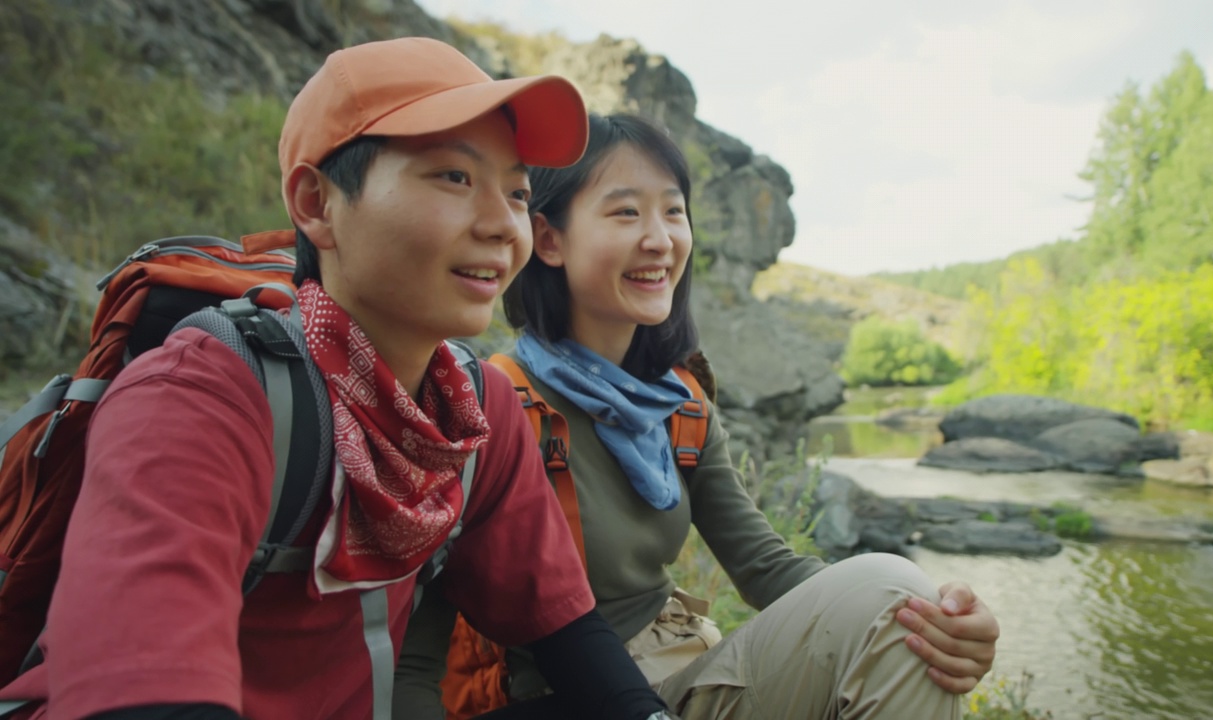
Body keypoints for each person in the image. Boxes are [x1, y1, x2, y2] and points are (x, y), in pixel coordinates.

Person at [0, 41, 682, 720]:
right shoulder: (201, 398)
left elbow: (562, 628)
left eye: (516, 193)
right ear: (316, 203)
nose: (502, 226)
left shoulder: (473, 412)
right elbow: (140, 701)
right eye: (453, 177)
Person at [395, 113, 1001, 719]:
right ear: (548, 239)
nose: (660, 239)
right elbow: (416, 645)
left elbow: (765, 566)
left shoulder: (681, 403)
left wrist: (931, 616)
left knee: (903, 609)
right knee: (888, 588)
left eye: (674, 212)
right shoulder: (492, 405)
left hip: (684, 669)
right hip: (573, 700)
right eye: (626, 212)